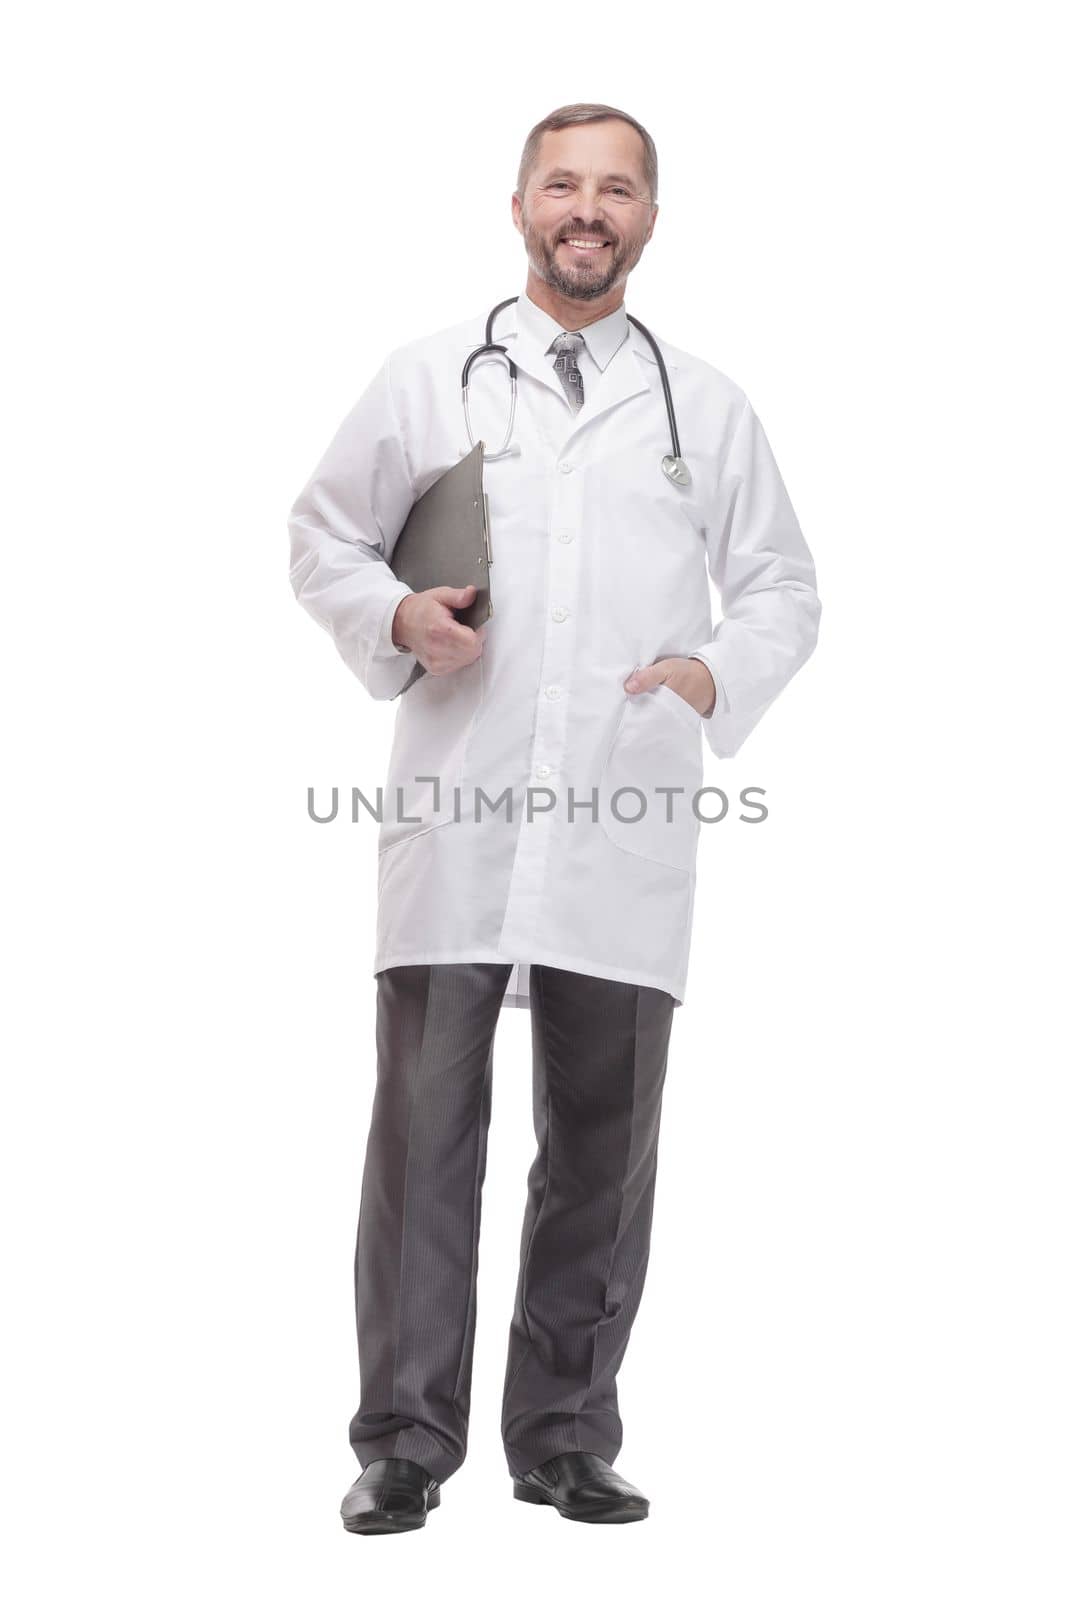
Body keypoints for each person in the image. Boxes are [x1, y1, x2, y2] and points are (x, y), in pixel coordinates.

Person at [287, 101, 820, 1534]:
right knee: (424, 1141)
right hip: (457, 821)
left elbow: (780, 584)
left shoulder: (702, 405)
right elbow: (320, 534)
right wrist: (395, 611)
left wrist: (715, 668)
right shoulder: (428, 380)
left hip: (622, 824)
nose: (591, 209)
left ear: (651, 218)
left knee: (603, 1146)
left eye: (620, 190)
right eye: (565, 185)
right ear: (521, 203)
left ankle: (567, 1437)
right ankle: (404, 1441)